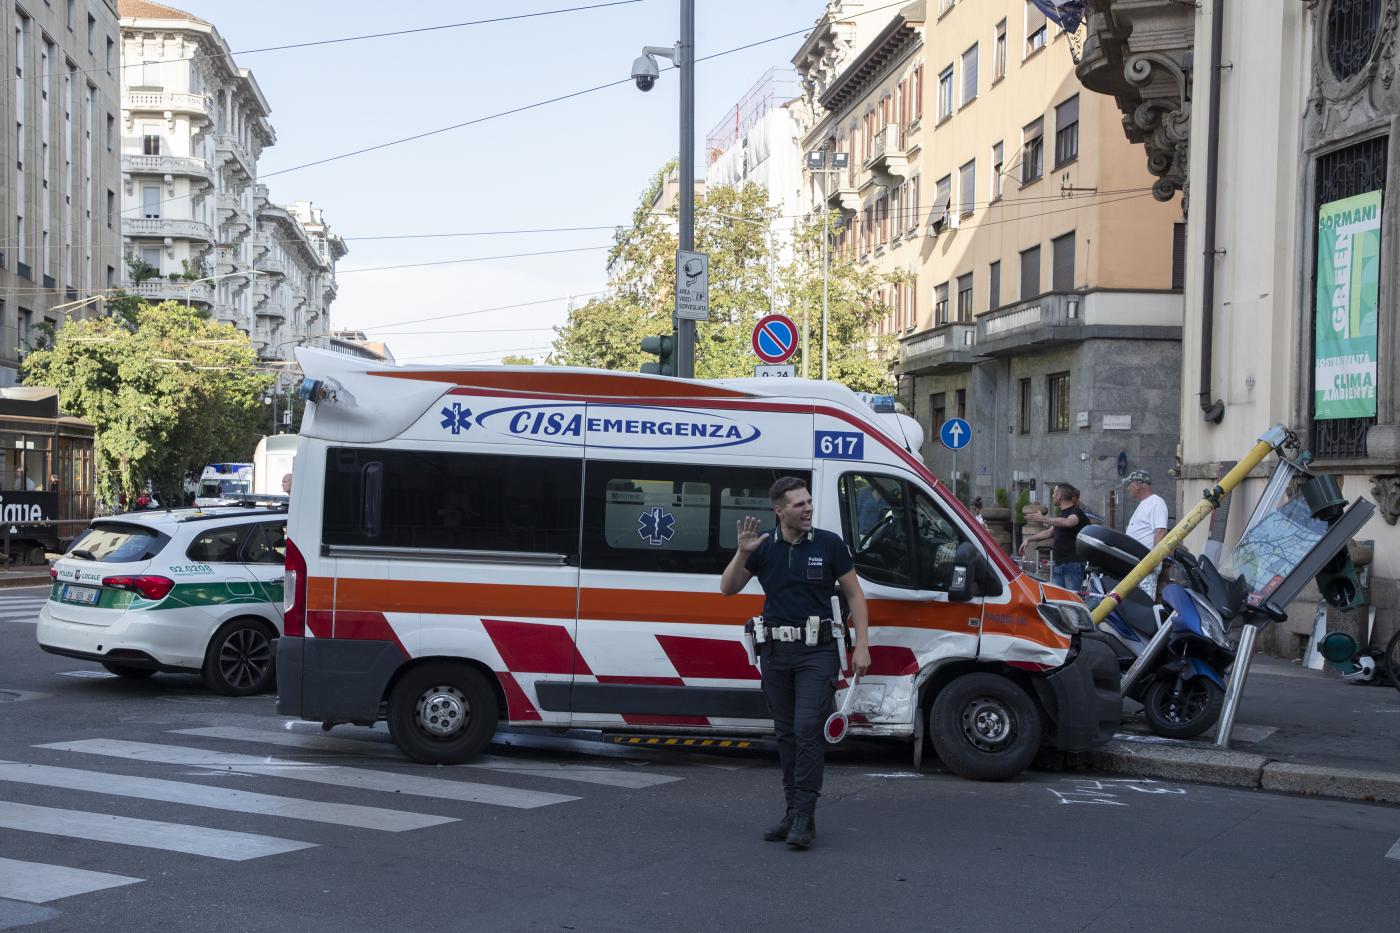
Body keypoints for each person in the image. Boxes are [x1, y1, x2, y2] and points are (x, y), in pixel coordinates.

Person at [720, 476, 870, 850]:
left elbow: (854, 595)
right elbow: (727, 588)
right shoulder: (764, 547)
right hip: (775, 652)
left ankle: (805, 815)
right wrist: (742, 552)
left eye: (808, 502)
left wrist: (863, 645)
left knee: (806, 729)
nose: (808, 509)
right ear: (779, 510)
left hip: (817, 652)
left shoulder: (828, 544)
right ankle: (792, 811)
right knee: (786, 734)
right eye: (799, 504)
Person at [1022, 484, 1088, 592]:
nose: (1052, 496)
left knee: (1071, 601)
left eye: (1054, 493)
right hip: (1059, 564)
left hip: (1072, 565)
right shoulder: (1062, 515)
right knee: (1056, 599)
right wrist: (1029, 539)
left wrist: (1044, 519)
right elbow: (1049, 532)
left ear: (1059, 496)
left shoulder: (1076, 512)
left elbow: (1069, 522)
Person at [1125, 470, 1168, 598]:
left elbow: (1160, 531)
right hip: (1137, 562)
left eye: (1130, 485)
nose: (1128, 489)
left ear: (1138, 485)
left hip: (1146, 563)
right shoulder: (1144, 503)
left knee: (1145, 599)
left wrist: (1152, 561)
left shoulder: (1156, 502)